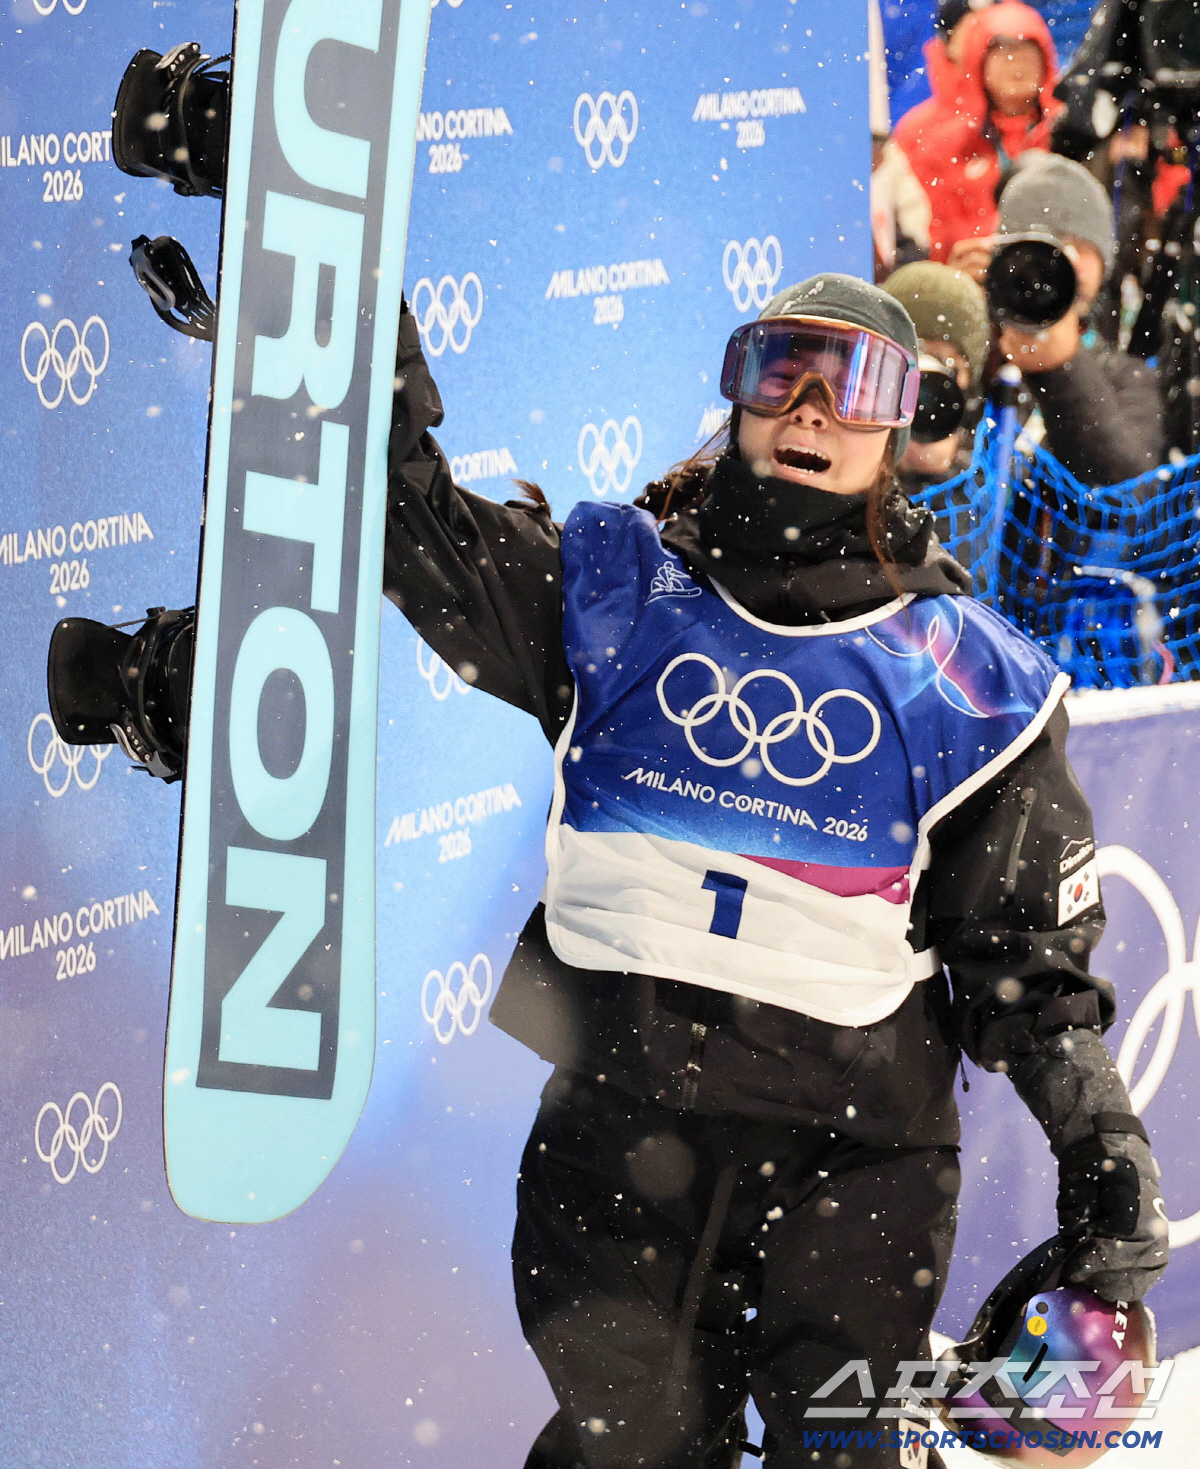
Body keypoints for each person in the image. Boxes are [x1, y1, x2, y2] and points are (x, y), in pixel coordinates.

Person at [381, 272, 1168, 1468]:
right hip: (622, 1138)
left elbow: (1027, 972)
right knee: (626, 1449)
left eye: (854, 384)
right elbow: (426, 538)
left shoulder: (967, 681)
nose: (810, 408)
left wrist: (1103, 1150)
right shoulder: (620, 595)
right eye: (782, 368)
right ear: (738, 394)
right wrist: (355, 354)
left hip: (857, 1171)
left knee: (840, 1447)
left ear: (896, 427)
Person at [954, 153, 1165, 487]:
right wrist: (954, 315)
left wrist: (1062, 366)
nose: (1064, 262)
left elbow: (1128, 493)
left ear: (1104, 264)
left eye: (1080, 246)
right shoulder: (979, 356)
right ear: (1002, 257)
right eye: (1046, 247)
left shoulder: (1126, 377)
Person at [893, 2, 1060, 263]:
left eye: (1027, 49)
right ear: (979, 59)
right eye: (1002, 50)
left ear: (1046, 58)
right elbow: (928, 236)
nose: (1016, 63)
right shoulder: (942, 145)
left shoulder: (1072, 134)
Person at [882, 260, 990, 492]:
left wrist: (936, 473)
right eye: (914, 354)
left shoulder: (991, 469)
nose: (924, 377)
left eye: (945, 362)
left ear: (968, 379)